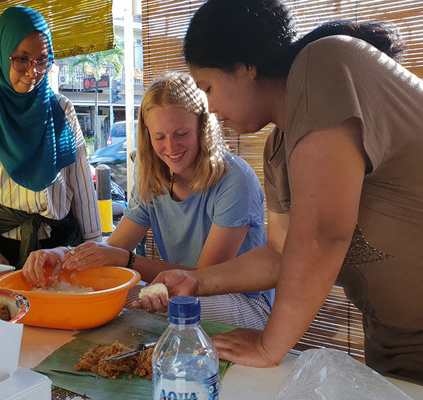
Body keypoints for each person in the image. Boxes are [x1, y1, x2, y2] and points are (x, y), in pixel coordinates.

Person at [137, 0, 423, 381]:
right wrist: (197, 281)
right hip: (396, 342)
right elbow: (280, 254)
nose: (210, 106)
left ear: (245, 67)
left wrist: (270, 345)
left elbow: (322, 234)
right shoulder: (278, 150)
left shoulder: (324, 63)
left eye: (207, 87)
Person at [23, 72, 274, 329]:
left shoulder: (234, 179)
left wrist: (127, 260)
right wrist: (63, 255)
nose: (171, 147)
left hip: (244, 302)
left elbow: (201, 278)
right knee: (103, 297)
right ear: (147, 135)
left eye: (181, 133)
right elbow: (114, 248)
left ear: (203, 128)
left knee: (127, 304)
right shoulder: (152, 175)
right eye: (160, 137)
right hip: (181, 291)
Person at [0, 6, 101, 269]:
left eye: (42, 60)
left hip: (60, 248)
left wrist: (95, 246)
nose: (33, 71)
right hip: (1, 250)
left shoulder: (61, 110)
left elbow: (81, 180)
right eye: (21, 59)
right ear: (1, 55)